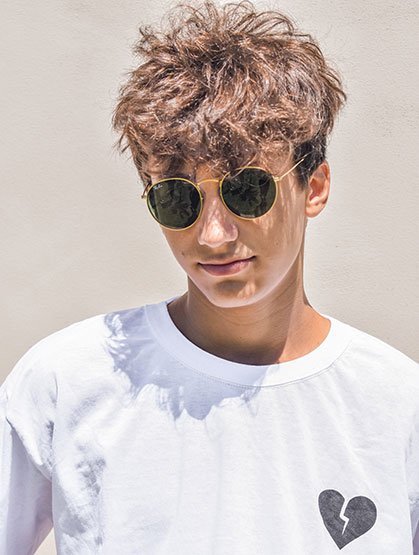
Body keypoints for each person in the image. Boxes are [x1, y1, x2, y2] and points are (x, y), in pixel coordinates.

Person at [1, 0, 418, 553]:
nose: (214, 234)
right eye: (177, 198)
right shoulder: (67, 381)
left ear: (313, 188)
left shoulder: (397, 404)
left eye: (247, 189)